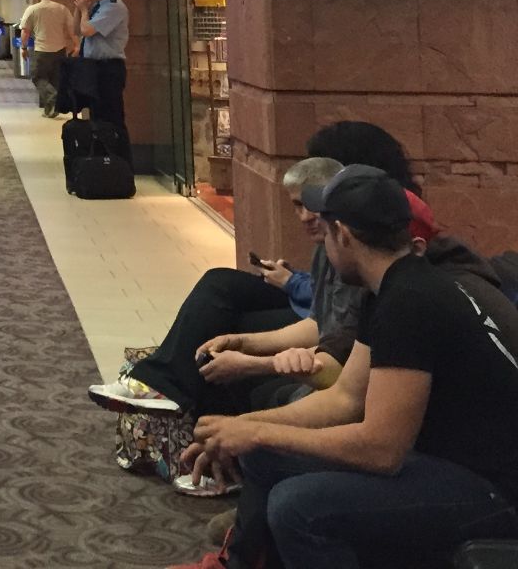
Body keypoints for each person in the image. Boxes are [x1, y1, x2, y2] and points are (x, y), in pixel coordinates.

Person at [173, 165, 518, 569]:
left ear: (344, 236)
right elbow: (345, 398)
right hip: (451, 465)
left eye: (324, 226)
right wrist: (245, 429)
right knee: (263, 455)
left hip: (493, 492)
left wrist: (257, 430)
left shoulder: (411, 302)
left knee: (298, 507)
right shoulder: (394, 287)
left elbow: (380, 449)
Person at [89, 122, 435, 422]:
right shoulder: (346, 244)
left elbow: (345, 368)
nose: (306, 215)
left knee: (238, 352)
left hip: (347, 366)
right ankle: (180, 404)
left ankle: (190, 413)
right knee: (222, 298)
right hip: (334, 342)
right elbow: (328, 315)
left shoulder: (381, 268)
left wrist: (253, 361)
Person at [74, 0, 130, 161]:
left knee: (111, 117)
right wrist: (80, 7)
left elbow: (88, 30)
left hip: (108, 68)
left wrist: (83, 10)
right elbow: (79, 29)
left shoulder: (114, 6)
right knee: (96, 118)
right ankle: (101, 162)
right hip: (94, 68)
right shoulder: (97, 7)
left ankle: (119, 163)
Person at [18, 0, 75, 118]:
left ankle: (53, 99)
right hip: (60, 50)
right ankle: (49, 110)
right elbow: (71, 28)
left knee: (37, 77)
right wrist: (76, 44)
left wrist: (24, 47)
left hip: (41, 50)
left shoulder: (32, 9)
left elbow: (25, 31)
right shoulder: (62, 8)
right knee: (55, 79)